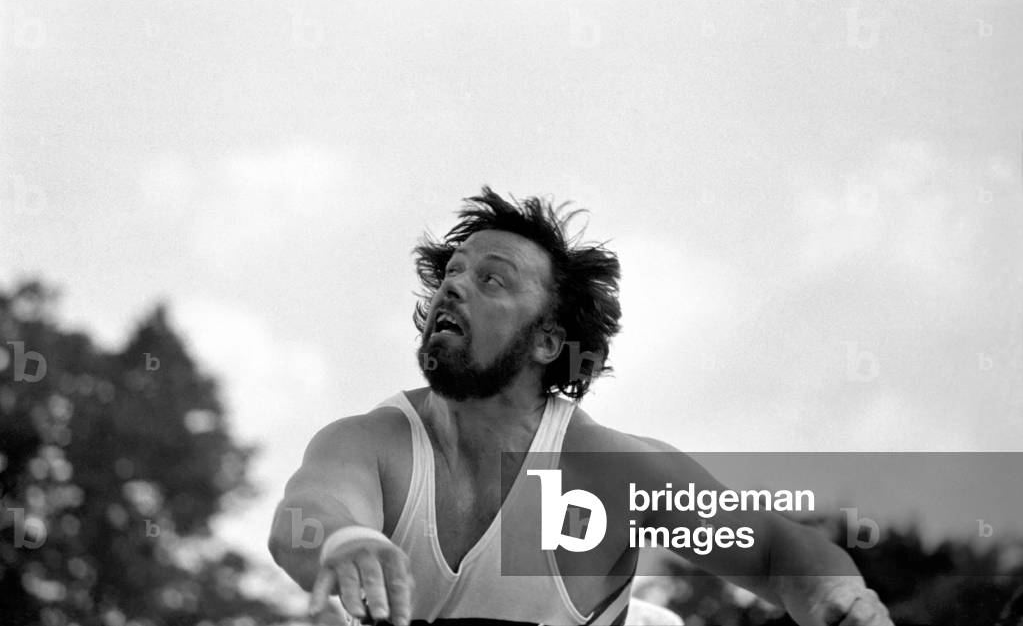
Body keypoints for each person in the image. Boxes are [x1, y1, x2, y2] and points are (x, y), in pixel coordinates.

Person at [268, 187, 893, 626]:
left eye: (492, 278)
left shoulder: (610, 472)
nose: (452, 286)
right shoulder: (369, 443)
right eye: (451, 273)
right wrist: (343, 540)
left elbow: (775, 551)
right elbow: (305, 514)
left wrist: (836, 596)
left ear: (548, 340)